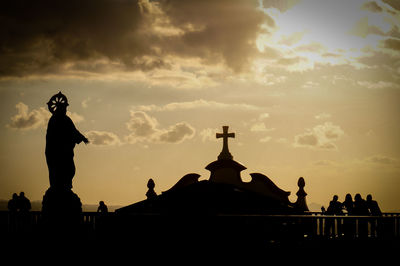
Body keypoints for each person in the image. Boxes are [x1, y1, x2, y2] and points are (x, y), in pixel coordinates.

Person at [45, 92, 89, 190]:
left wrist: (82, 137)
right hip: (56, 151)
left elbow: (73, 130)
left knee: (70, 170)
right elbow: (53, 136)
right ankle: (58, 187)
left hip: (66, 151)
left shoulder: (66, 119)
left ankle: (66, 186)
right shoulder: (54, 120)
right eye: (64, 108)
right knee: (57, 170)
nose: (66, 110)